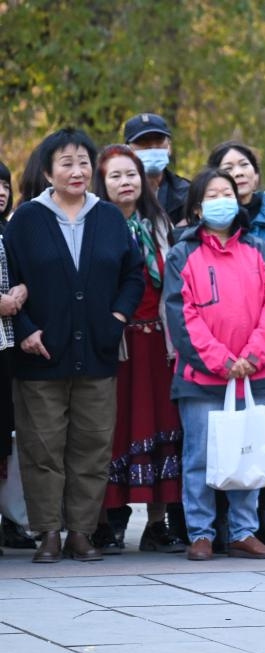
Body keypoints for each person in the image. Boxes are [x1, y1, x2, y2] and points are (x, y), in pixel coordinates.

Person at [5, 128, 145, 563]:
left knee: (91, 446)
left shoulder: (108, 218)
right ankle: (47, 532)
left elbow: (133, 274)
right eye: (66, 163)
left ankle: (81, 532)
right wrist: (25, 328)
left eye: (83, 162)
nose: (77, 170)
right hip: (39, 355)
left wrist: (117, 317)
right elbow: (7, 279)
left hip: (97, 355)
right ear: (47, 171)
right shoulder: (26, 220)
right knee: (42, 448)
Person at [163, 168, 265, 562]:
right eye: (213, 194)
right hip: (202, 376)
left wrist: (251, 357)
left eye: (228, 192)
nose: (223, 199)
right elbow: (181, 316)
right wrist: (220, 361)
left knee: (246, 451)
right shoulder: (183, 253)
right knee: (199, 455)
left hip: (255, 374)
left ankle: (242, 530)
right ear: (198, 208)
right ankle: (200, 532)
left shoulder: (260, 251)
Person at [92, 145, 185, 554]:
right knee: (112, 432)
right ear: (103, 183)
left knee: (162, 428)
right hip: (115, 344)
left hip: (157, 342)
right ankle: (106, 521)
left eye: (131, 174)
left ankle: (157, 523)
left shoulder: (161, 224)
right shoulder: (94, 225)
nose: (125, 182)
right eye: (115, 176)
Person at [208, 141, 265, 551]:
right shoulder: (208, 218)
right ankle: (222, 519)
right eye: (229, 167)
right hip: (219, 348)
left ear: (256, 172)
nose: (239, 172)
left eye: (245, 164)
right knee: (222, 429)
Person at [0, 159, 31, 554]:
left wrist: (20, 291)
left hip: (5, 345)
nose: (1, 191)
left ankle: (10, 521)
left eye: (4, 184)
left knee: (5, 435)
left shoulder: (10, 231)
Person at [124, 113, 190, 226]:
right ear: (128, 151)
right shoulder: (117, 193)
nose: (153, 148)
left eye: (158, 141)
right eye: (143, 142)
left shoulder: (187, 193)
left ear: (169, 147)